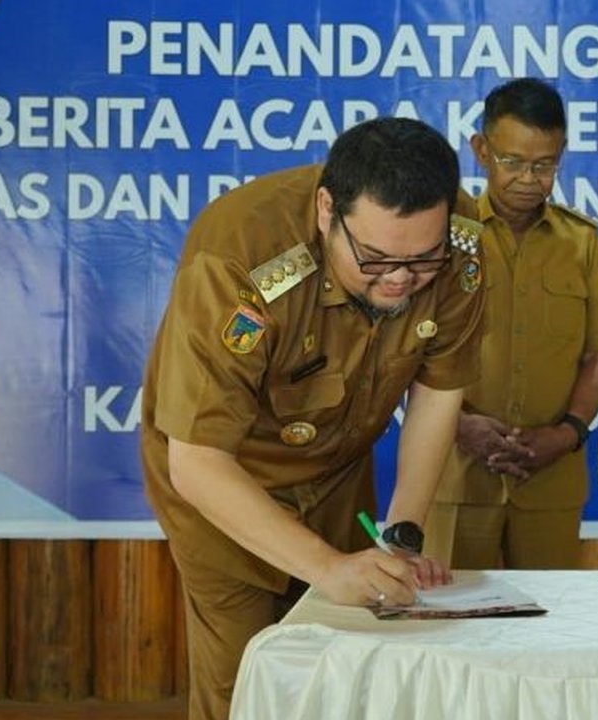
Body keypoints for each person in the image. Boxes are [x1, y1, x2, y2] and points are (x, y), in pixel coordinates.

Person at [140, 117, 485, 720]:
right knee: (246, 680)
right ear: (328, 210)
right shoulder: (238, 258)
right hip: (228, 487)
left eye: (421, 260)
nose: (401, 280)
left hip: (335, 475)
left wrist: (402, 534)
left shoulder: (460, 241)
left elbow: (437, 392)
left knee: (341, 670)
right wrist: (325, 565)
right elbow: (195, 461)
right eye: (375, 259)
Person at [424, 78, 598, 569]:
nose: (528, 179)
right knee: (455, 626)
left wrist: (570, 431)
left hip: (549, 478)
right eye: (512, 162)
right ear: (481, 150)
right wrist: (457, 424)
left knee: (548, 632)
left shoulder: (582, 244)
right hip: (455, 472)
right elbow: (408, 345)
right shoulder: (441, 235)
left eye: (544, 165)